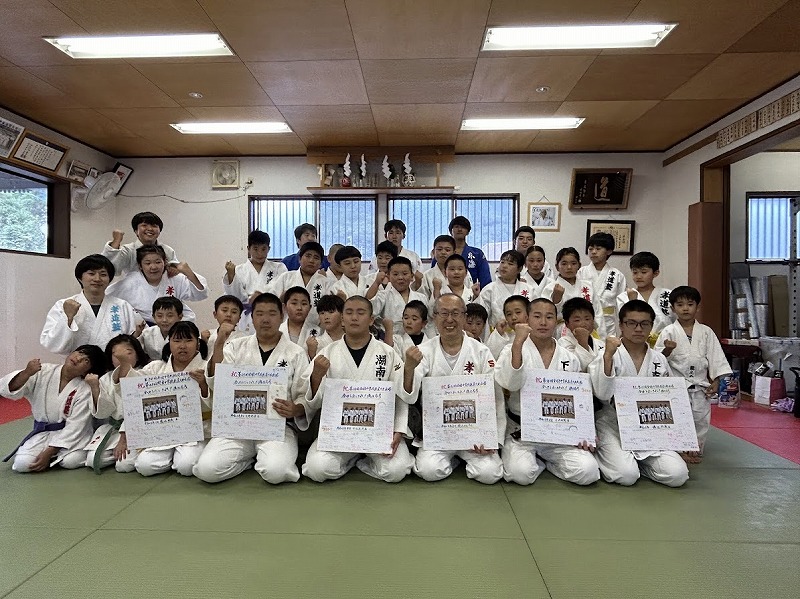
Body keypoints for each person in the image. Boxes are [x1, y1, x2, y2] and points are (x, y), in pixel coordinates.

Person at [193, 293, 311, 484]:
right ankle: (248, 461)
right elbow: (218, 383)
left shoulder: (295, 352)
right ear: (252, 317)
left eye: (272, 313)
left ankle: (260, 458)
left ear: (281, 316)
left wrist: (296, 408)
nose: (265, 319)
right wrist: (219, 343)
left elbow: (303, 393)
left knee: (277, 472)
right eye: (260, 314)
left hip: (277, 426)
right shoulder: (235, 346)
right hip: (237, 425)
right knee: (207, 470)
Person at [300, 296, 415, 482]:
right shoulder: (327, 353)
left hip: (379, 432)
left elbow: (400, 396)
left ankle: (365, 462)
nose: (354, 317)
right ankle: (351, 459)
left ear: (371, 320)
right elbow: (313, 401)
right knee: (317, 469)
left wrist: (398, 429)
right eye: (349, 312)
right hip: (340, 432)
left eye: (360, 313)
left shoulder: (387, 353)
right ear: (342, 319)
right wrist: (316, 376)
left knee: (396, 471)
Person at [401, 294, 505, 484]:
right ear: (434, 317)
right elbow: (410, 395)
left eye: (455, 313)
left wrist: (491, 438)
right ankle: (455, 460)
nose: (449, 319)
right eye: (444, 313)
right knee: (429, 471)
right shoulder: (423, 351)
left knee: (490, 474)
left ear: (464, 317)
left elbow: (495, 396)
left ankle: (462, 456)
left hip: (474, 432)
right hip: (438, 432)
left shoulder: (481, 351)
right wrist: (408, 368)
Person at [495, 298, 600, 486]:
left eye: (549, 317)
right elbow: (510, 384)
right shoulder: (512, 349)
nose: (543, 322)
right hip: (522, 430)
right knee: (520, 474)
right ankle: (536, 461)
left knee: (588, 471)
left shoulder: (568, 357)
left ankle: (548, 463)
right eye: (537, 316)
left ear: (556, 321)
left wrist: (584, 430)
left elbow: (578, 399)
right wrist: (517, 344)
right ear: (527, 319)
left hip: (560, 430)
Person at [589, 300, 689, 487]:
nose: (638, 329)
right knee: (626, 476)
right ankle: (622, 461)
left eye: (644, 324)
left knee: (678, 475)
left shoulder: (659, 359)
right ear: (621, 325)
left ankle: (642, 465)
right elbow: (602, 393)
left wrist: (680, 437)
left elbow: (670, 400)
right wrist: (608, 356)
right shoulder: (607, 353)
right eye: (631, 323)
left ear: (651, 326)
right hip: (613, 424)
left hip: (650, 427)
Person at [114, 321, 212, 477]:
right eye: (177, 340)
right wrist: (125, 365)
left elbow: (216, 404)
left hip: (196, 430)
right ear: (169, 343)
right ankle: (170, 458)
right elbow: (134, 394)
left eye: (188, 340)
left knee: (185, 466)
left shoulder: (207, 368)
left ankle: (176, 459)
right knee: (143, 466)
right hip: (160, 427)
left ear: (198, 344)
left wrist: (203, 384)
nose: (182, 346)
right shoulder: (156, 368)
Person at [655, 286, 732, 462]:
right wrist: (668, 349)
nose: (685, 308)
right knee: (678, 418)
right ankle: (679, 449)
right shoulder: (668, 331)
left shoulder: (706, 332)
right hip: (676, 384)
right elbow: (658, 360)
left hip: (700, 384)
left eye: (690, 304)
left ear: (697, 307)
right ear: (673, 308)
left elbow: (716, 357)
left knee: (700, 418)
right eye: (680, 305)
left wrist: (717, 380)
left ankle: (695, 448)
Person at [1, 345, 107, 472]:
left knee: (70, 461)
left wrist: (49, 452)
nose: (78, 358)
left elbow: (76, 426)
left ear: (87, 371)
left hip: (73, 435)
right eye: (80, 352)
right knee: (22, 464)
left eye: (86, 360)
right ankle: (54, 458)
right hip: (43, 433)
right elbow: (9, 389)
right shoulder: (44, 371)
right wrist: (27, 373)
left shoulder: (84, 389)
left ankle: (56, 456)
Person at [40, 254, 138, 355]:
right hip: (77, 363)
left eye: (103, 274)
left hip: (113, 364)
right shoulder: (63, 305)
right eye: (91, 273)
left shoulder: (122, 306)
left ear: (109, 279)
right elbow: (51, 344)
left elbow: (136, 338)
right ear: (80, 278)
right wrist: (68, 318)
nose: (97, 279)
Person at [84, 334, 151, 473]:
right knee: (92, 461)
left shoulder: (146, 374)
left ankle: (130, 453)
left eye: (128, 353)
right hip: (114, 427)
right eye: (115, 354)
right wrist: (95, 388)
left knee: (123, 466)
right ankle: (118, 453)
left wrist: (124, 438)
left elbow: (138, 409)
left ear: (138, 355)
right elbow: (103, 413)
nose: (120, 358)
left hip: (138, 429)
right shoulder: (105, 378)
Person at [106, 244, 207, 323]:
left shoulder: (173, 277)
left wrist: (188, 273)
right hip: (145, 331)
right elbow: (107, 296)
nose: (153, 267)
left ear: (165, 262)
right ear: (140, 266)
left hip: (177, 329)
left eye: (158, 262)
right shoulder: (131, 282)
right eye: (148, 263)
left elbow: (200, 294)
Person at [223, 229, 287, 332]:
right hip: (246, 316)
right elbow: (234, 297)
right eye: (255, 249)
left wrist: (261, 296)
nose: (260, 253)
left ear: (269, 249)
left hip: (271, 313)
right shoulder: (239, 270)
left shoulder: (279, 268)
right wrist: (231, 275)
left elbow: (283, 290)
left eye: (263, 249)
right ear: (248, 249)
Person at [542, 247, 603, 335]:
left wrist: (602, 336)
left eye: (573, 263)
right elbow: (546, 315)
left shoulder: (588, 286)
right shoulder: (550, 288)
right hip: (561, 332)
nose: (569, 267)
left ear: (579, 265)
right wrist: (557, 301)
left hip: (587, 330)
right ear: (557, 266)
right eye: (564, 264)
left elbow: (598, 313)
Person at [617, 251, 673, 346]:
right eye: (635, 272)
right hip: (635, 343)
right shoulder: (623, 297)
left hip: (664, 344)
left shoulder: (667, 295)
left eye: (644, 272)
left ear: (656, 273)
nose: (638, 276)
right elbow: (625, 324)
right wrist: (633, 301)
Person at [269, 241, 331, 326]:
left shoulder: (326, 282)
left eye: (316, 258)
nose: (311, 260)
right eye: (308, 256)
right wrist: (282, 298)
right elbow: (270, 304)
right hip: (287, 329)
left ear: (320, 264)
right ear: (299, 259)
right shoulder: (286, 277)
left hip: (316, 329)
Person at [578, 232, 626, 337]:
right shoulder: (581, 272)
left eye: (598, 248)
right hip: (584, 321)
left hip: (608, 322)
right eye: (590, 249)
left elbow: (621, 305)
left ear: (609, 251)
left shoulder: (617, 275)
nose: (593, 252)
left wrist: (624, 329)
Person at [101, 211, 178, 277]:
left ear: (159, 231)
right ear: (136, 231)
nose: (150, 229)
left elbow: (175, 269)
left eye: (154, 226)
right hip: (134, 288)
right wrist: (116, 241)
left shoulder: (167, 250)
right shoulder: (128, 250)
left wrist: (174, 269)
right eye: (144, 225)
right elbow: (110, 268)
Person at [368, 256, 426, 338]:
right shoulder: (383, 296)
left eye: (405, 274)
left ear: (412, 276)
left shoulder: (421, 298)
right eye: (395, 274)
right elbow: (369, 314)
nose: (400, 278)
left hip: (417, 341)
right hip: (389, 340)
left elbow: (426, 323)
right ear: (388, 276)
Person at [475, 250, 532, 328]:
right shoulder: (489, 289)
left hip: (524, 332)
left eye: (510, 264)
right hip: (498, 332)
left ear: (519, 269)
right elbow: (480, 316)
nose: (504, 266)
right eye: (502, 262)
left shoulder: (529, 289)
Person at [444, 216, 492, 290]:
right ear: (451, 231)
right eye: (456, 227)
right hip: (445, 292)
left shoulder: (477, 254)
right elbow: (435, 274)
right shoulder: (443, 253)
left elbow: (485, 280)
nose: (459, 229)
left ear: (468, 231)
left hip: (471, 293)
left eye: (463, 227)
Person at [558, 297, 605, 371]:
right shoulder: (563, 343)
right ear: (567, 324)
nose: (583, 324)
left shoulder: (601, 344)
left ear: (593, 321)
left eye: (587, 319)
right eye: (577, 320)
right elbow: (574, 367)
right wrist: (583, 341)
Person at [138, 296, 183, 360]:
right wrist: (137, 334)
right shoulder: (147, 333)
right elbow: (136, 351)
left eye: (170, 316)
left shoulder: (186, 334)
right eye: (159, 316)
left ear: (180, 317)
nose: (164, 320)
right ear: (153, 317)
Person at [486, 295, 530, 360]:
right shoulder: (505, 337)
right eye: (509, 314)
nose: (513, 317)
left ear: (529, 313)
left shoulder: (537, 334)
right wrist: (498, 333)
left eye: (518, 312)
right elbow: (490, 356)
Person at [307, 294, 345, 358]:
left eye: (331, 312)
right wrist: (312, 353)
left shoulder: (352, 339)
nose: (326, 317)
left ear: (342, 315)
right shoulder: (316, 343)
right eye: (322, 313)